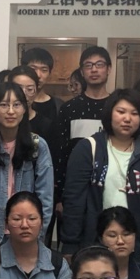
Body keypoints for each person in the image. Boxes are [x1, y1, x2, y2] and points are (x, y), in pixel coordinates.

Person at [62, 88, 140, 265]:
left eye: (134, 113)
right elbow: (74, 200)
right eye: (121, 111)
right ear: (110, 113)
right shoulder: (88, 148)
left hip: (137, 249)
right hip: (93, 244)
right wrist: (70, 245)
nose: (127, 118)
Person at [0, 80, 53, 239]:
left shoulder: (37, 146)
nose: (11, 111)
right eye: (4, 105)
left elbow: (45, 198)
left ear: (24, 109)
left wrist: (37, 235)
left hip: (26, 232)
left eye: (17, 105)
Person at [55, 46, 113, 207]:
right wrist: (59, 197)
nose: (94, 69)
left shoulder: (117, 107)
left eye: (99, 64)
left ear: (109, 69)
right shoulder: (69, 108)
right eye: (88, 65)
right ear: (82, 71)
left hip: (111, 186)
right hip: (75, 188)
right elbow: (61, 154)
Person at [20, 46, 61, 146]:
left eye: (44, 70)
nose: (38, 75)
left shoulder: (58, 106)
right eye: (33, 69)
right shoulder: (14, 103)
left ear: (50, 73)